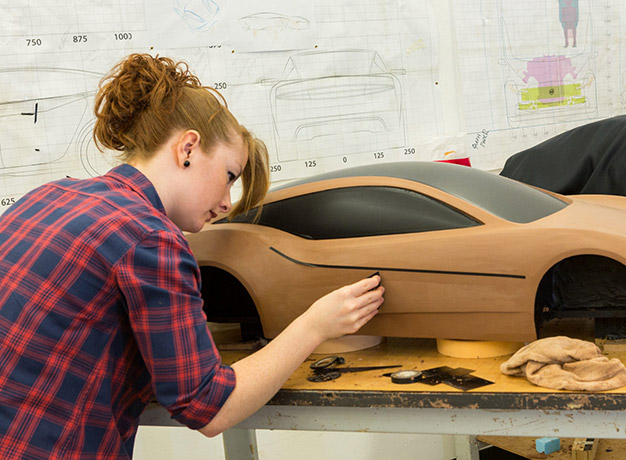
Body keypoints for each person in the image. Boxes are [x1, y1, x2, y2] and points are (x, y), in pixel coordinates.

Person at [0, 53, 384, 459]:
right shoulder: (150, 238)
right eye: (229, 176)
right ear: (188, 148)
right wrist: (315, 325)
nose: (225, 203)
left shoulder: (46, 197)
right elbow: (209, 407)